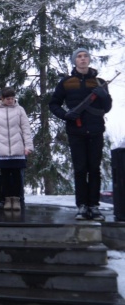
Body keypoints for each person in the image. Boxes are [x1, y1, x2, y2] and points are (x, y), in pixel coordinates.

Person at [49, 48, 112, 221]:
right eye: (79, 56)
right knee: (80, 169)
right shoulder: (66, 82)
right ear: (74, 61)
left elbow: (107, 107)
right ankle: (82, 206)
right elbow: (54, 104)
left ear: (89, 60)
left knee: (94, 169)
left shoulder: (99, 82)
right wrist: (65, 115)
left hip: (96, 130)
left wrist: (104, 96)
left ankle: (94, 206)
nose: (83, 59)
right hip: (76, 131)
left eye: (85, 56)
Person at [0, 87, 33, 211]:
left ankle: (16, 199)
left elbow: (26, 129)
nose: (10, 101)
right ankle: (7, 199)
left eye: (12, 98)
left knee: (17, 175)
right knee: (5, 176)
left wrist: (28, 146)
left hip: (17, 149)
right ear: (2, 98)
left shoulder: (20, 110)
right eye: (8, 99)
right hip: (1, 150)